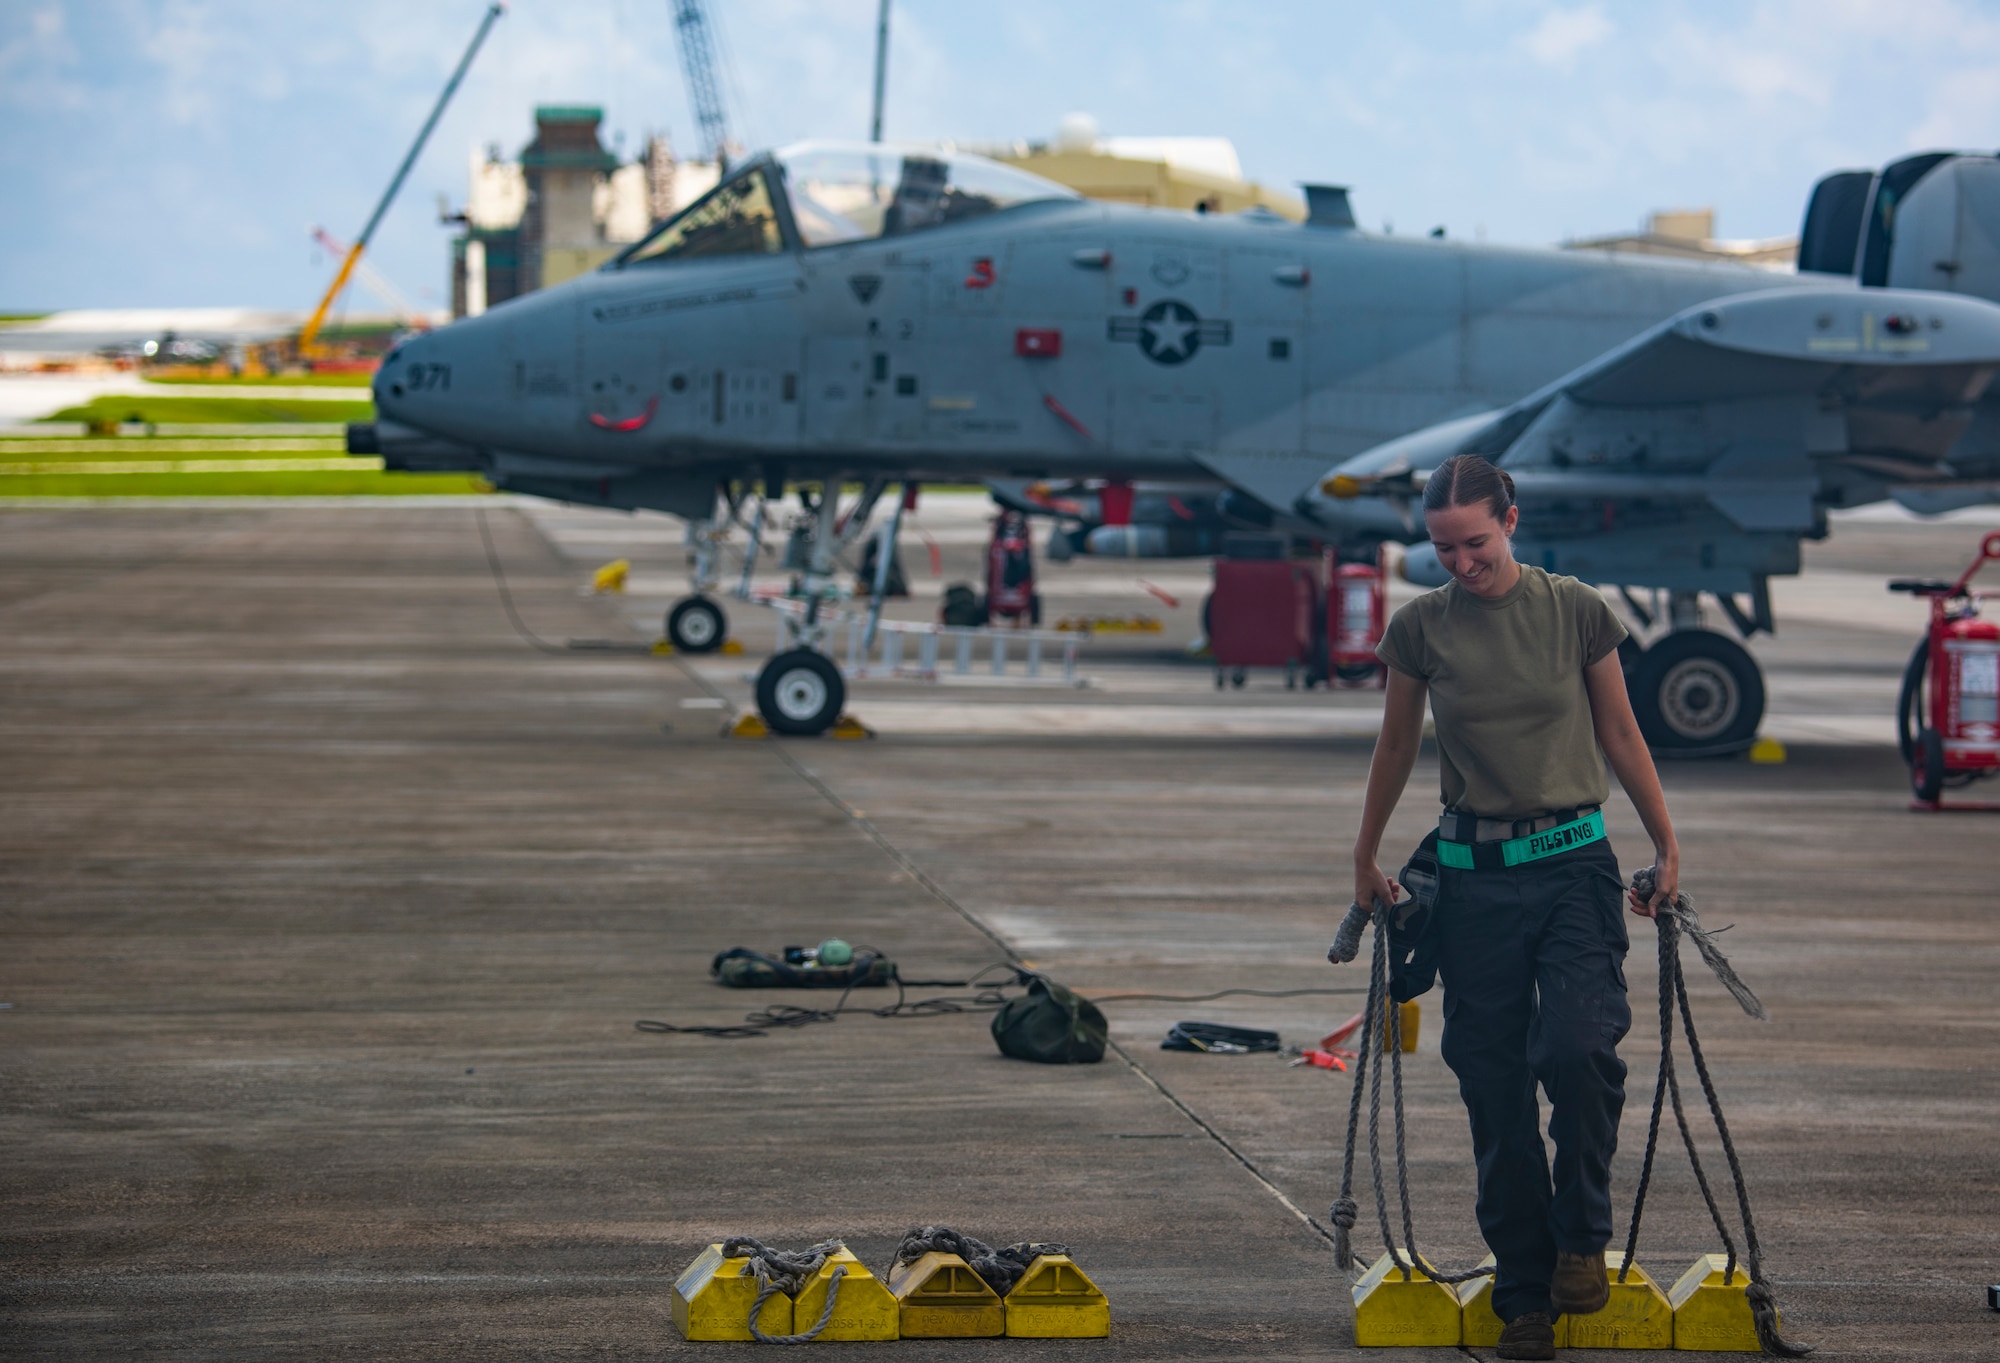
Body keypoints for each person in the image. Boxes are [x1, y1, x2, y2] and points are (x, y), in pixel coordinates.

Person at [1349, 454, 1680, 1362]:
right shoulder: (1421, 628)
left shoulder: (1575, 608)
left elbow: (1620, 731)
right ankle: (1524, 1295)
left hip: (1574, 865)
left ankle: (1582, 1234)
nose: (1461, 563)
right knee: (1493, 1086)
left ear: (1512, 521)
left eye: (1476, 542)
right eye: (1442, 547)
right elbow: (1395, 747)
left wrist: (1666, 844)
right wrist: (1365, 852)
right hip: (1474, 880)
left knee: (1576, 1047)